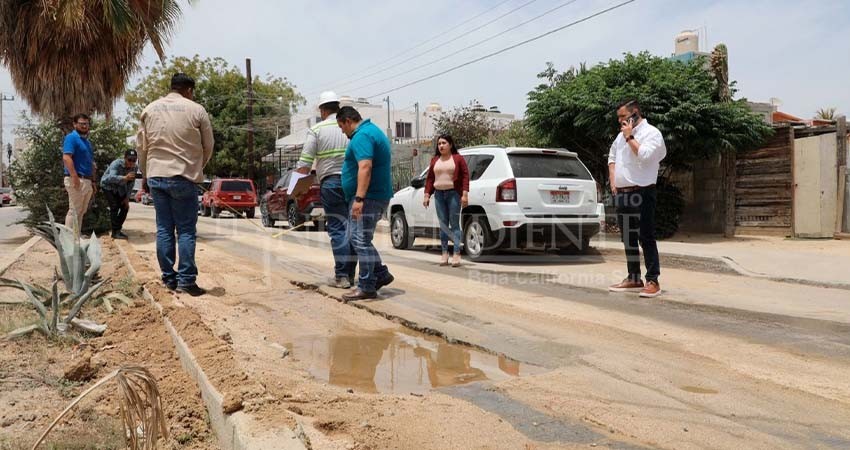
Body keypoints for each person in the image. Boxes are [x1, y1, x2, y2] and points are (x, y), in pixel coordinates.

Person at [138, 73, 214, 296]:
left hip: (156, 175)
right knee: (186, 230)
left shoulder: (149, 109)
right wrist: (197, 167)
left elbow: (141, 147)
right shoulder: (196, 110)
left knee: (164, 229)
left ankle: (169, 279)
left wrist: (146, 174)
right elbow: (208, 145)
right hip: (184, 176)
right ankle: (186, 281)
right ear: (189, 90)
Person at [295, 91, 356, 289]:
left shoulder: (317, 130)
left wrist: (296, 189)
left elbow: (304, 164)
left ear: (322, 110)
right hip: (353, 183)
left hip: (331, 184)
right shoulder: (350, 127)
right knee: (352, 229)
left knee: (337, 228)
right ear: (337, 107)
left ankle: (342, 276)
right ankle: (351, 275)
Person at [607, 100, 667, 298]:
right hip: (623, 194)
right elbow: (612, 158)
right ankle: (633, 277)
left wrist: (630, 137)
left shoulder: (652, 133)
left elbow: (646, 156)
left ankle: (653, 280)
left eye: (623, 116)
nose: (620, 121)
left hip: (643, 192)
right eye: (618, 117)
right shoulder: (619, 137)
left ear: (635, 113)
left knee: (646, 236)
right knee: (628, 237)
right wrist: (614, 182)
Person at [336, 106, 394, 301]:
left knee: (359, 240)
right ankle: (381, 274)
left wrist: (359, 198)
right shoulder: (370, 131)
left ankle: (367, 286)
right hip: (373, 195)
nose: (342, 131)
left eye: (341, 126)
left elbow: (365, 166)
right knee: (360, 239)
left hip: (368, 197)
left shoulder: (362, 136)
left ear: (347, 121)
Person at [423, 134, 469, 267]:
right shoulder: (435, 160)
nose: (441, 146)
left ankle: (456, 253)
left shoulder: (458, 158)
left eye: (444, 143)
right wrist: (427, 194)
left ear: (450, 145)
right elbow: (430, 178)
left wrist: (464, 194)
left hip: (454, 194)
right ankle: (444, 253)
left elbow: (465, 176)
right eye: (439, 144)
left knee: (454, 224)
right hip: (439, 195)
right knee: (443, 224)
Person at [62, 114, 96, 231]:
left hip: (87, 180)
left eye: (86, 124)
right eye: (82, 124)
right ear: (75, 124)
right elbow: (67, 157)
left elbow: (90, 163)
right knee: (74, 210)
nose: (84, 126)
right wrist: (74, 177)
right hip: (76, 179)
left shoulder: (87, 142)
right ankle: (68, 239)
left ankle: (76, 237)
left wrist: (93, 181)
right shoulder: (71, 138)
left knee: (81, 211)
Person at [100, 149, 139, 239]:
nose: (131, 162)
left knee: (125, 207)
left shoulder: (135, 168)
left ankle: (118, 229)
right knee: (114, 206)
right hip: (108, 186)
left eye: (134, 160)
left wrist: (127, 198)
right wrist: (124, 178)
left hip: (120, 188)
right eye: (129, 159)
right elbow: (110, 178)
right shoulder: (116, 164)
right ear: (125, 158)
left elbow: (131, 184)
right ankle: (115, 232)